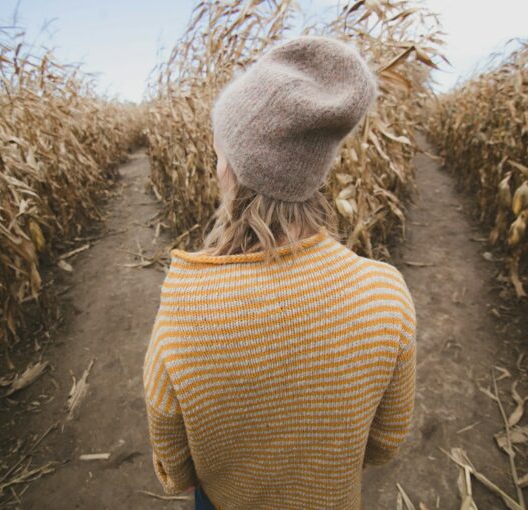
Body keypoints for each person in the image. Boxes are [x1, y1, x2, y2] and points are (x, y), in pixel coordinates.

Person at [142, 35, 417, 510]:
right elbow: (385, 443)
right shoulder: (386, 296)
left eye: (219, 151)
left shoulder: (185, 311)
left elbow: (174, 465)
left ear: (232, 169)